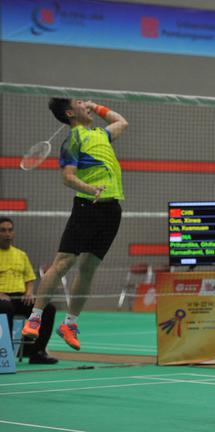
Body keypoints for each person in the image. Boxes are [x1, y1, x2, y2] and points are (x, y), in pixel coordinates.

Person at [22, 98, 128, 351]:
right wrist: (90, 189)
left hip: (112, 210)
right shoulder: (73, 140)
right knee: (63, 262)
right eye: (80, 103)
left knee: (89, 267)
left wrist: (96, 106)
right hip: (87, 206)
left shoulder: (101, 134)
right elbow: (67, 177)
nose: (86, 106)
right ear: (70, 113)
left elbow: (121, 122)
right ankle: (34, 318)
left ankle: (69, 324)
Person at [0, 217, 58, 364]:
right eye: (3, 230)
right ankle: (5, 354)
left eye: (10, 230)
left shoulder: (21, 255)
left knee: (48, 309)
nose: (7, 234)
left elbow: (29, 278)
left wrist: (29, 292)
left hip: (21, 297)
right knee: (5, 307)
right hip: (2, 298)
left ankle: (37, 353)